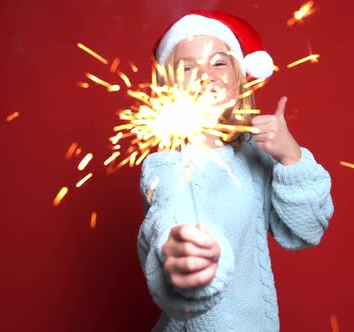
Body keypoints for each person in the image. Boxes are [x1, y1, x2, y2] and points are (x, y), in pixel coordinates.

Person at [137, 10, 334, 331]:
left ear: (239, 77)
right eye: (188, 67)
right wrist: (178, 254)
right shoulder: (166, 167)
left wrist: (291, 157)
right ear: (169, 84)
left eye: (218, 63)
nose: (206, 75)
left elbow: (308, 229)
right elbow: (166, 219)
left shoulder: (254, 157)